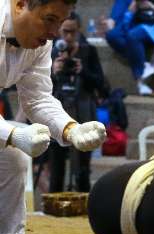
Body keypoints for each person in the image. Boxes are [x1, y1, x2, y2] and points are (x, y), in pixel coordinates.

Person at [0, 0, 107, 234]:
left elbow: (37, 98)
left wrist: (71, 129)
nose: (55, 32)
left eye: (60, 22)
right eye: (49, 20)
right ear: (21, 4)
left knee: (12, 159)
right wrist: (13, 133)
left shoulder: (39, 40)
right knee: (11, 146)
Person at [49, 11, 105, 192]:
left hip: (83, 109)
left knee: (82, 167)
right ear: (59, 30)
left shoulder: (88, 51)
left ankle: (83, 206)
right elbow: (37, 87)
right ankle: (54, 207)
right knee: (56, 166)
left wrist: (83, 71)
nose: (69, 36)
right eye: (65, 31)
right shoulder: (51, 51)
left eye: (73, 32)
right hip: (58, 110)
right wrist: (52, 72)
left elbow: (102, 85)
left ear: (79, 30)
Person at [105, 0, 154, 95]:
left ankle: (140, 80)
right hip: (139, 21)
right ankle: (143, 64)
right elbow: (127, 17)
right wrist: (130, 12)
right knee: (112, 35)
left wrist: (152, 7)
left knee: (133, 35)